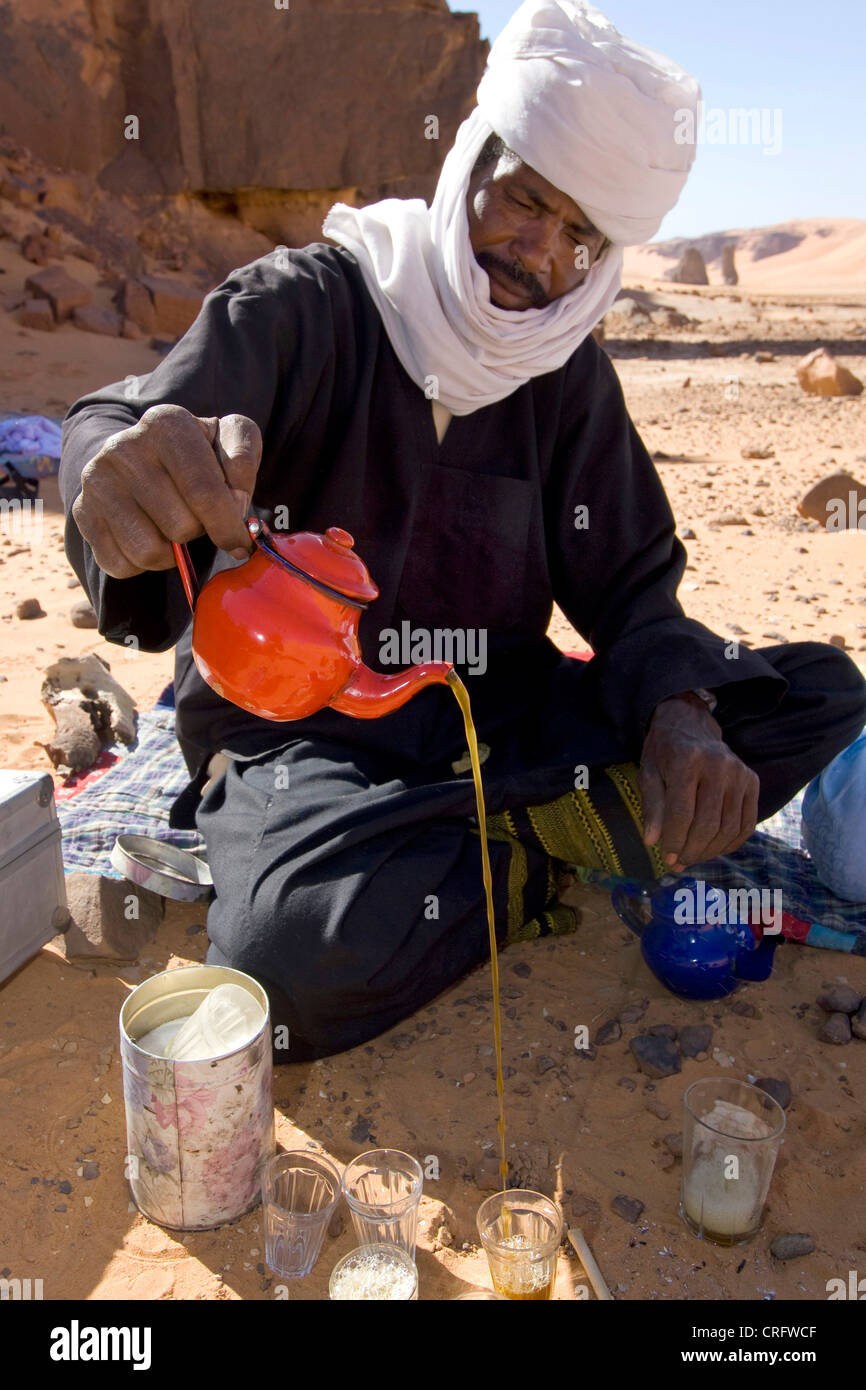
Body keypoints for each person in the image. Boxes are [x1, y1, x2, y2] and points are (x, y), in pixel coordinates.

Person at [59, 1, 866, 1058]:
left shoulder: (561, 369)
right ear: (472, 156)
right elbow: (126, 424)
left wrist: (679, 707)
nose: (540, 254)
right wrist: (107, 472)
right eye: (526, 201)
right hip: (303, 737)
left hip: (493, 714)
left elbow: (629, 586)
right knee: (283, 959)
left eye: (581, 236)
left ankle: (455, 837)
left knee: (814, 692)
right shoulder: (302, 306)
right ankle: (534, 851)